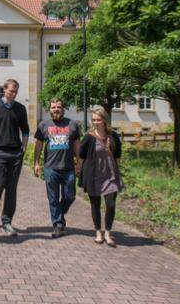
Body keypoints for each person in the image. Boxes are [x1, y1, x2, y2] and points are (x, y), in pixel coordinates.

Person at [33, 98, 81, 238]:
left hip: (68, 168)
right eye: (53, 107)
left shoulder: (72, 124)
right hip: (51, 168)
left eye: (58, 107)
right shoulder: (44, 125)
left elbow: (77, 144)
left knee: (70, 196)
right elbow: (39, 145)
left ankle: (59, 213)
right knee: (53, 198)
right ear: (50, 109)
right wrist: (36, 162)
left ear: (63, 108)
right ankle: (58, 224)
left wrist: (79, 162)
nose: (56, 109)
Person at [77, 107, 124, 247]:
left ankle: (108, 233)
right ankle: (98, 232)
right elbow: (81, 154)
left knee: (110, 204)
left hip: (110, 174)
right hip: (94, 175)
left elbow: (118, 155)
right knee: (95, 204)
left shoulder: (113, 136)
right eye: (93, 120)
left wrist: (118, 171)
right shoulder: (89, 137)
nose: (95, 122)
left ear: (104, 120)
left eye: (98, 119)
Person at [0, 79, 30, 236]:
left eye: (15, 92)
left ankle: (7, 222)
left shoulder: (20, 109)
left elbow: (25, 130)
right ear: (4, 90)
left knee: (11, 189)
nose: (13, 94)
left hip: (15, 153)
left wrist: (24, 147)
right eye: (11, 91)